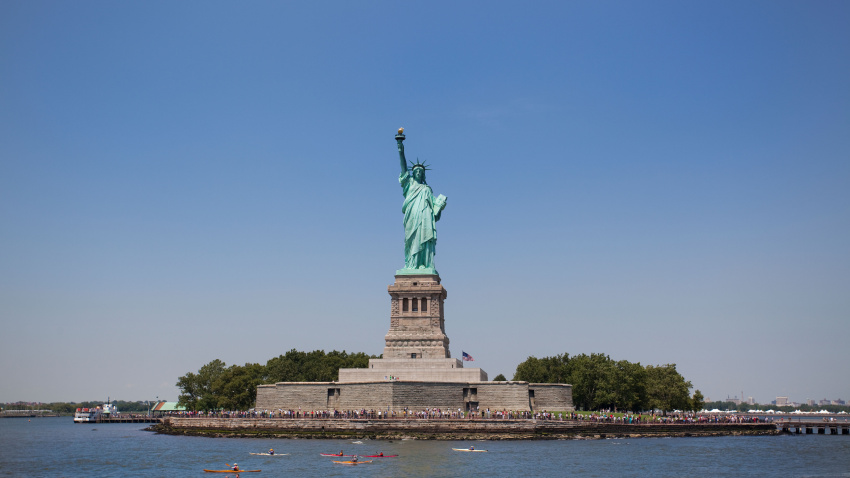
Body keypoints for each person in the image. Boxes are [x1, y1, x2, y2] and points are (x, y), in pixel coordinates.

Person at [396, 132, 446, 272]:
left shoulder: (427, 189)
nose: (418, 172)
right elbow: (403, 167)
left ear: (423, 175)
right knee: (411, 240)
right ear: (413, 173)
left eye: (420, 171)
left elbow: (435, 207)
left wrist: (440, 205)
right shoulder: (409, 184)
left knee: (423, 239)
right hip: (412, 215)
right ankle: (411, 265)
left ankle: (424, 264)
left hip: (424, 219)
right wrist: (400, 148)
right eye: (416, 170)